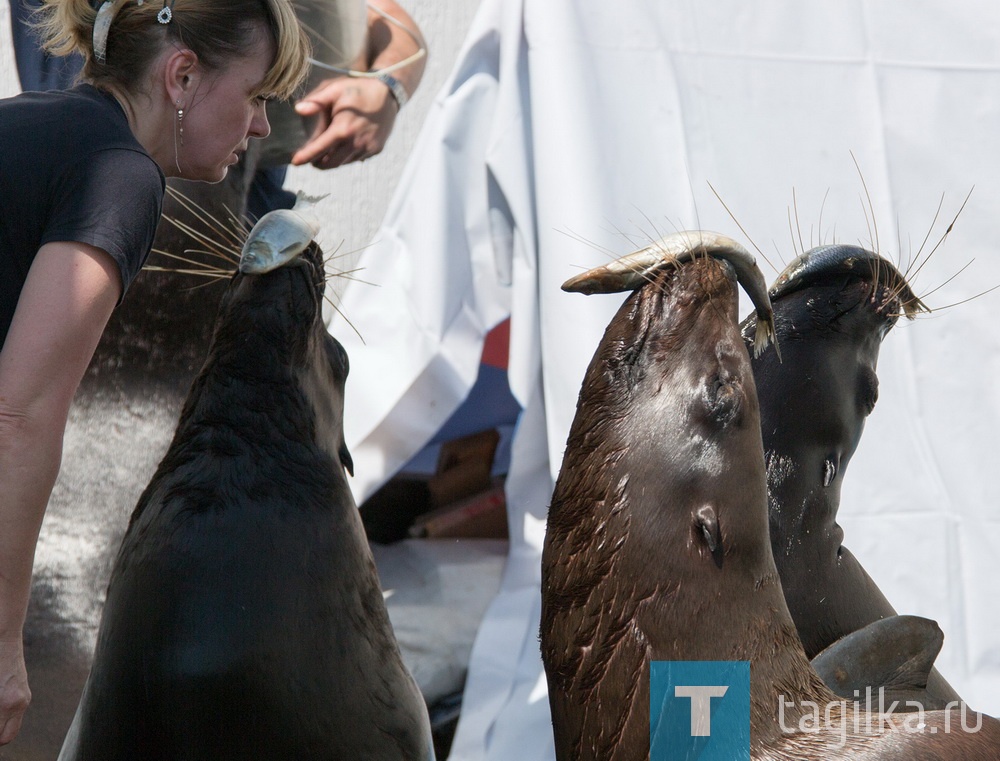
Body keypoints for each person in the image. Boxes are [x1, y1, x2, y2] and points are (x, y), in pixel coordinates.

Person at [0, 0, 309, 745]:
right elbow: (19, 415)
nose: (263, 126)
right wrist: (3, 642)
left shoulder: (26, 122)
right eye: (258, 94)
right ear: (181, 76)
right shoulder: (119, 177)